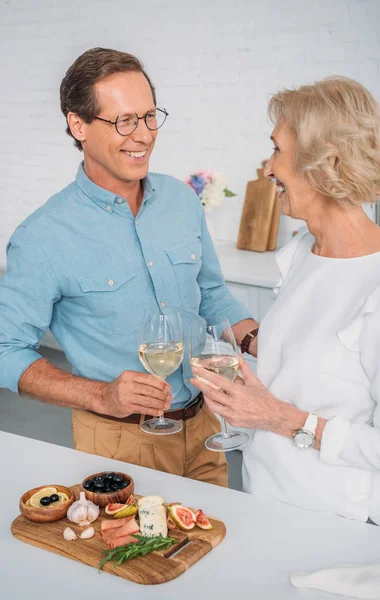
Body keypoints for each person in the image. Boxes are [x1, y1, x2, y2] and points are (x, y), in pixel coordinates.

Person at [0, 47, 259, 487]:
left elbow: (211, 293)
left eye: (149, 116)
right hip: (118, 442)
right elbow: (6, 350)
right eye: (123, 121)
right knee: (137, 555)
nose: (142, 135)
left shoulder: (180, 200)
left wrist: (253, 338)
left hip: (204, 430)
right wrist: (101, 394)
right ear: (77, 125)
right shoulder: (42, 236)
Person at [191, 76, 380, 526]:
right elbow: (307, 375)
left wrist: (278, 417)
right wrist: (249, 395)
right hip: (267, 502)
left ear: (324, 164)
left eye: (277, 150)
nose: (267, 168)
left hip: (335, 530)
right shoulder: (306, 251)